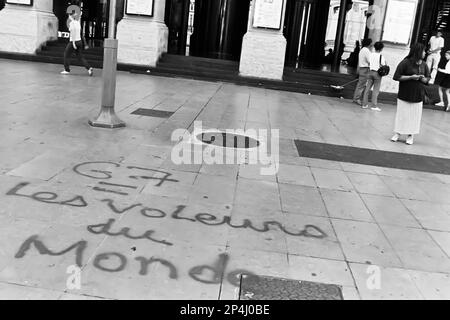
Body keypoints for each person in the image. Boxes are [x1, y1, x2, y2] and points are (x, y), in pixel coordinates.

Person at [391, 43, 430, 145]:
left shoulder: (424, 65)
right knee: (402, 115)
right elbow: (397, 77)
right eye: (423, 51)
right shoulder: (405, 62)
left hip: (418, 95)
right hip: (404, 94)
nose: (425, 53)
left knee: (414, 116)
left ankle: (410, 135)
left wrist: (422, 78)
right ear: (417, 52)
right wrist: (411, 77)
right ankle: (397, 133)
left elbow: (427, 79)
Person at [61, 11, 93, 76]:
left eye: (69, 15)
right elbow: (79, 33)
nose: (69, 16)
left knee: (66, 55)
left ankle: (67, 70)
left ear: (71, 16)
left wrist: (73, 44)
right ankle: (89, 68)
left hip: (74, 41)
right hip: (79, 41)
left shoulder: (72, 23)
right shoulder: (78, 23)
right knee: (80, 57)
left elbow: (73, 33)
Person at [362, 42, 387, 111]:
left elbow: (369, 62)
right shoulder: (381, 56)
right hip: (377, 74)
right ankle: (374, 105)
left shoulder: (371, 54)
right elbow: (384, 64)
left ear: (374, 47)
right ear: (381, 49)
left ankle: (364, 104)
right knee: (375, 90)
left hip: (370, 72)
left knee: (367, 89)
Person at [352, 38, 372, 105]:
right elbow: (370, 60)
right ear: (369, 44)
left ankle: (356, 98)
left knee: (360, 85)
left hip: (362, 68)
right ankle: (357, 99)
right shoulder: (366, 50)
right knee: (361, 85)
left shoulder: (362, 50)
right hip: (365, 69)